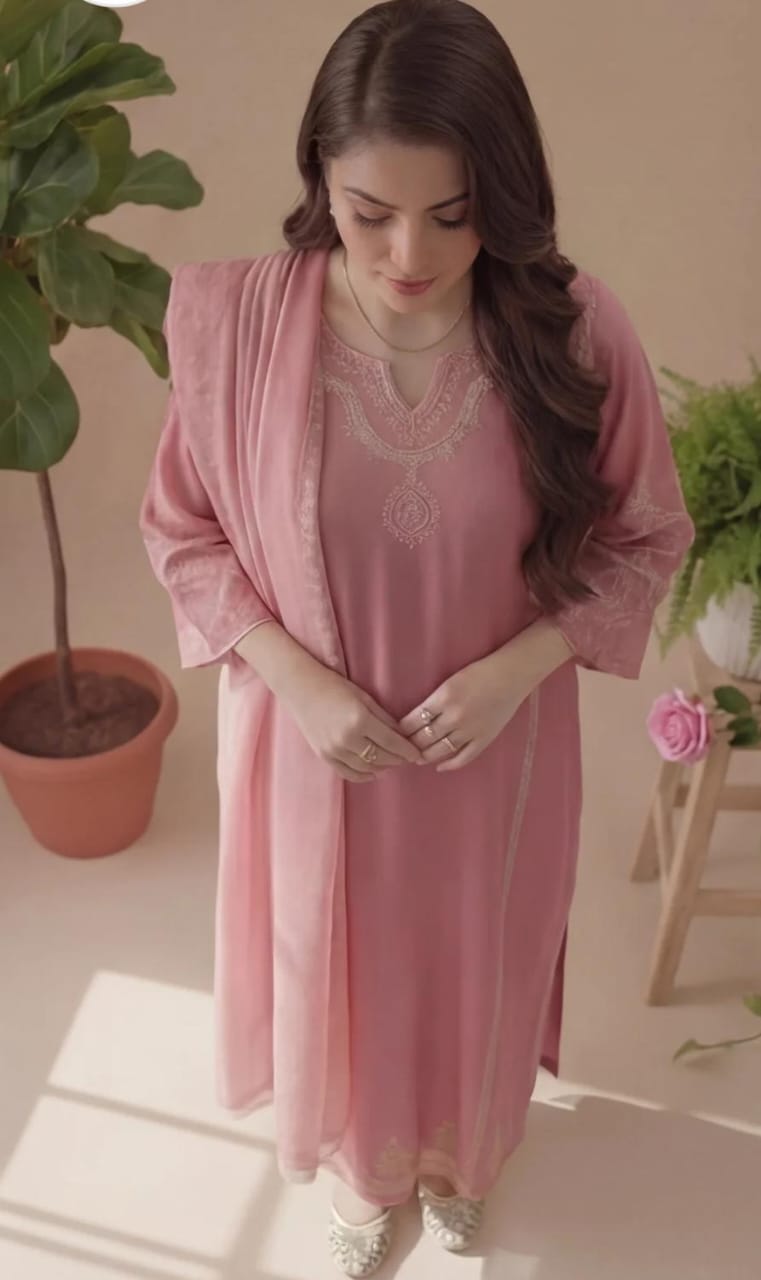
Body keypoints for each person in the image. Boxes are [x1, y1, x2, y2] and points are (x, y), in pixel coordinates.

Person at [139, 0, 696, 1274]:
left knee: (472, 958)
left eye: (451, 213)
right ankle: (356, 1162)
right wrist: (295, 680)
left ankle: (460, 1156)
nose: (409, 251)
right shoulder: (239, 331)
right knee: (331, 959)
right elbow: (182, 531)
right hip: (310, 754)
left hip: (491, 757)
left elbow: (643, 534)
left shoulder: (569, 328)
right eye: (367, 209)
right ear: (317, 182)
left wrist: (515, 670)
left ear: (501, 188)